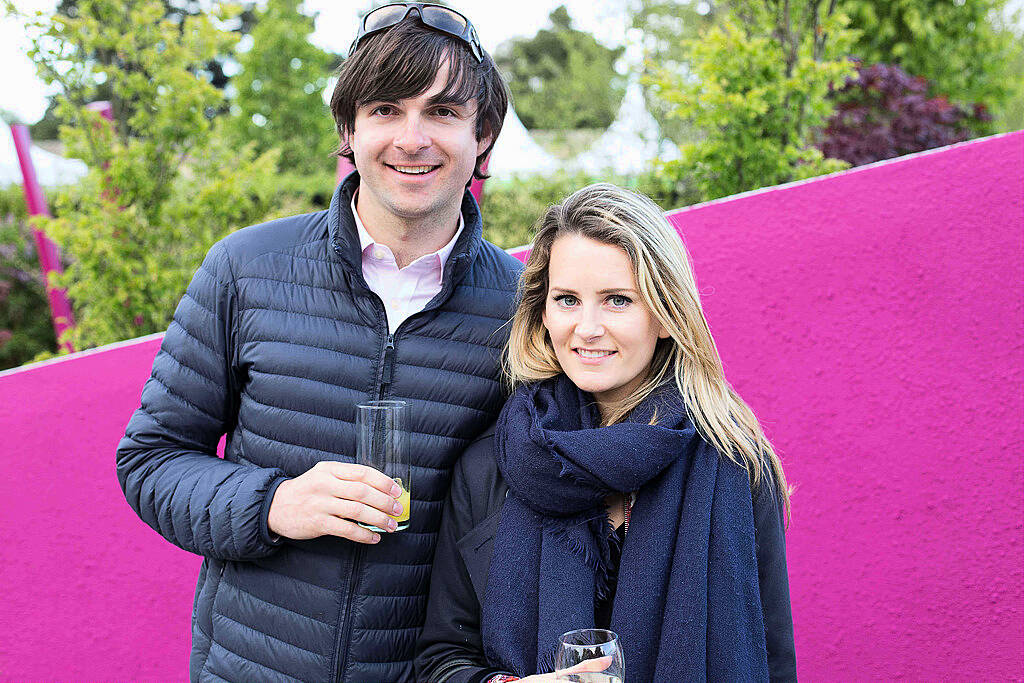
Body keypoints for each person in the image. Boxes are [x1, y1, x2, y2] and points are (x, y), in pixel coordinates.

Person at [115, 4, 520, 682]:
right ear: (350, 129)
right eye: (386, 109)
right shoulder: (245, 268)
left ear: (484, 134)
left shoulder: (523, 308)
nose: (412, 138)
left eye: (444, 112)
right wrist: (272, 503)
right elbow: (150, 460)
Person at [416, 183, 797, 683]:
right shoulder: (492, 465)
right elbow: (440, 659)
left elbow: (770, 662)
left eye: (617, 300)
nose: (588, 327)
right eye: (567, 299)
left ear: (665, 316)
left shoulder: (734, 461)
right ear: (542, 311)